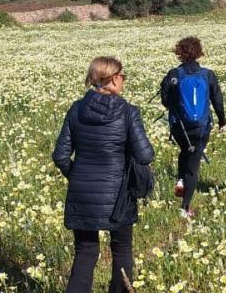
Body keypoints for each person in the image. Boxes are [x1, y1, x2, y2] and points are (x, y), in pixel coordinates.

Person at [53, 56, 155, 292]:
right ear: (113, 79)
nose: (124, 80)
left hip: (82, 195)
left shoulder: (77, 109)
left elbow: (60, 156)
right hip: (119, 196)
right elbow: (146, 155)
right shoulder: (128, 112)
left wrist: (78, 177)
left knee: (85, 252)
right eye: (123, 76)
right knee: (121, 250)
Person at [161, 37, 226, 219]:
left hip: (179, 126)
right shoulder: (208, 74)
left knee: (184, 150)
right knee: (194, 165)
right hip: (201, 127)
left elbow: (165, 101)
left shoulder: (173, 74)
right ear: (199, 52)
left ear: (179, 52)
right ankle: (185, 208)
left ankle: (181, 180)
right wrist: (222, 121)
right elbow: (217, 101)